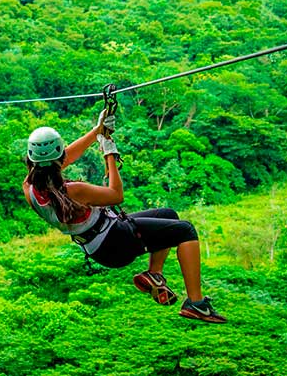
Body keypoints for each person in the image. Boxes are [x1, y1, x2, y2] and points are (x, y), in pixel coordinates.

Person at [22, 112, 226, 323]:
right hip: (115, 240)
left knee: (168, 215)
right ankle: (196, 303)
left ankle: (154, 274)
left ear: (31, 160)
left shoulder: (29, 189)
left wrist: (97, 132)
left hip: (100, 244)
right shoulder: (74, 191)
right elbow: (116, 195)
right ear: (59, 158)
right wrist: (110, 153)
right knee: (185, 230)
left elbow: (61, 159)